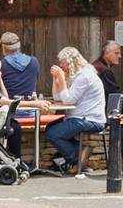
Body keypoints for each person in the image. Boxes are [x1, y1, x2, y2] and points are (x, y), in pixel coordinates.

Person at [44, 47, 106, 177]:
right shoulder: (76, 76)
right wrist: (56, 80)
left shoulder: (84, 76)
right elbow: (58, 98)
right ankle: (79, 152)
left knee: (53, 133)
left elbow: (68, 100)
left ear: (71, 61)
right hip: (79, 117)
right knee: (50, 127)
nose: (61, 65)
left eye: (63, 62)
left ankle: (76, 158)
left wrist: (61, 78)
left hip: (90, 119)